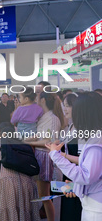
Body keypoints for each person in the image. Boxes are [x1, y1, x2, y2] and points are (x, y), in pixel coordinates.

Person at [46, 92, 102, 220]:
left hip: (96, 208)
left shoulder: (95, 141)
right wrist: (76, 186)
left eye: (71, 107)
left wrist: (56, 155)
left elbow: (85, 176)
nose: (65, 109)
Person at [0, 124, 40, 221]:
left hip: (7, 183)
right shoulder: (23, 144)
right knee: (24, 211)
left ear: (0, 134)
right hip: (27, 183)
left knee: (8, 211)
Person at [25, 92, 63, 221]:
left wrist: (29, 142)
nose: (35, 101)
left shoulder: (52, 118)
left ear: (43, 100)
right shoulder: (44, 116)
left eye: (37, 98)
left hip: (45, 156)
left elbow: (49, 141)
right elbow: (39, 136)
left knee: (44, 195)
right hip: (38, 155)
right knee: (42, 194)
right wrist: (25, 140)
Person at [58, 93, 82, 221]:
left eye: (68, 106)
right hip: (68, 172)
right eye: (64, 106)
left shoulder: (82, 128)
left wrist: (62, 155)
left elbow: (84, 159)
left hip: (78, 174)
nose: (64, 109)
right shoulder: (71, 125)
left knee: (75, 209)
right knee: (68, 207)